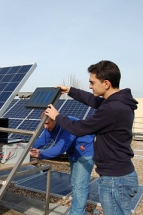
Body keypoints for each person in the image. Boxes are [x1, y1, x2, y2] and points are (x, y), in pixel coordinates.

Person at [45, 60, 139, 215]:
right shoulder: (119, 103)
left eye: (92, 82)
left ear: (106, 83)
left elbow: (79, 128)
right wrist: (70, 90)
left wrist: (57, 116)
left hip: (115, 180)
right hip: (119, 175)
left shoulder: (112, 109)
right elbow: (92, 100)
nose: (89, 86)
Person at [30, 114, 94, 215]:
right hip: (73, 153)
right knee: (75, 182)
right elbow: (41, 141)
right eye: (43, 124)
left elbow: (60, 148)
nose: (45, 127)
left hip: (84, 153)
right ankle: (81, 208)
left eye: (47, 124)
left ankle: (77, 213)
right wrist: (26, 148)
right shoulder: (48, 128)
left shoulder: (69, 123)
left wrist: (41, 154)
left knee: (80, 185)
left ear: (54, 120)